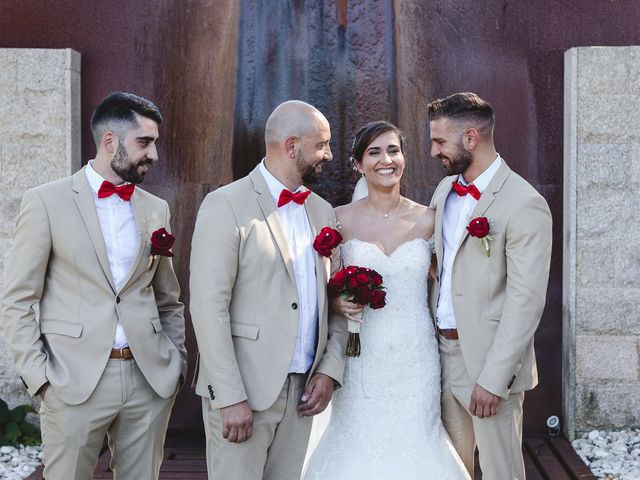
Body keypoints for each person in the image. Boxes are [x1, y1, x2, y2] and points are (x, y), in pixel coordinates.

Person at [0, 92, 187, 479]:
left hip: (148, 378)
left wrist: (176, 363)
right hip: (72, 380)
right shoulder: (46, 202)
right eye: (144, 143)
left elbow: (168, 298)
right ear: (109, 142)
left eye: (154, 143)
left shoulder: (156, 208)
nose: (153, 154)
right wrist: (40, 379)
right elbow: (18, 299)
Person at [189, 100, 348, 480]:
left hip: (304, 395)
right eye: (322, 145)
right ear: (291, 146)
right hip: (245, 393)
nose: (329, 154)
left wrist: (329, 371)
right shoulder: (224, 205)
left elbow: (339, 304)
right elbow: (209, 308)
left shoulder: (324, 212)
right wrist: (230, 397)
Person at [303, 121, 469, 479]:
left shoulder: (429, 219)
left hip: (416, 355)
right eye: (374, 152)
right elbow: (318, 284)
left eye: (393, 150)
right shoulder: (338, 219)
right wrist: (335, 302)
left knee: (417, 441)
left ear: (404, 158)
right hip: (361, 354)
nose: (386, 159)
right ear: (359, 164)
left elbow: (449, 283)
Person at [428, 92, 552, 479]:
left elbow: (525, 301)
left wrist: (494, 380)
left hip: (488, 365)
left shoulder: (524, 203)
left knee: (502, 473)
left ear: (470, 138)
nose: (433, 151)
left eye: (439, 141)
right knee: (451, 471)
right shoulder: (445, 191)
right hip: (440, 356)